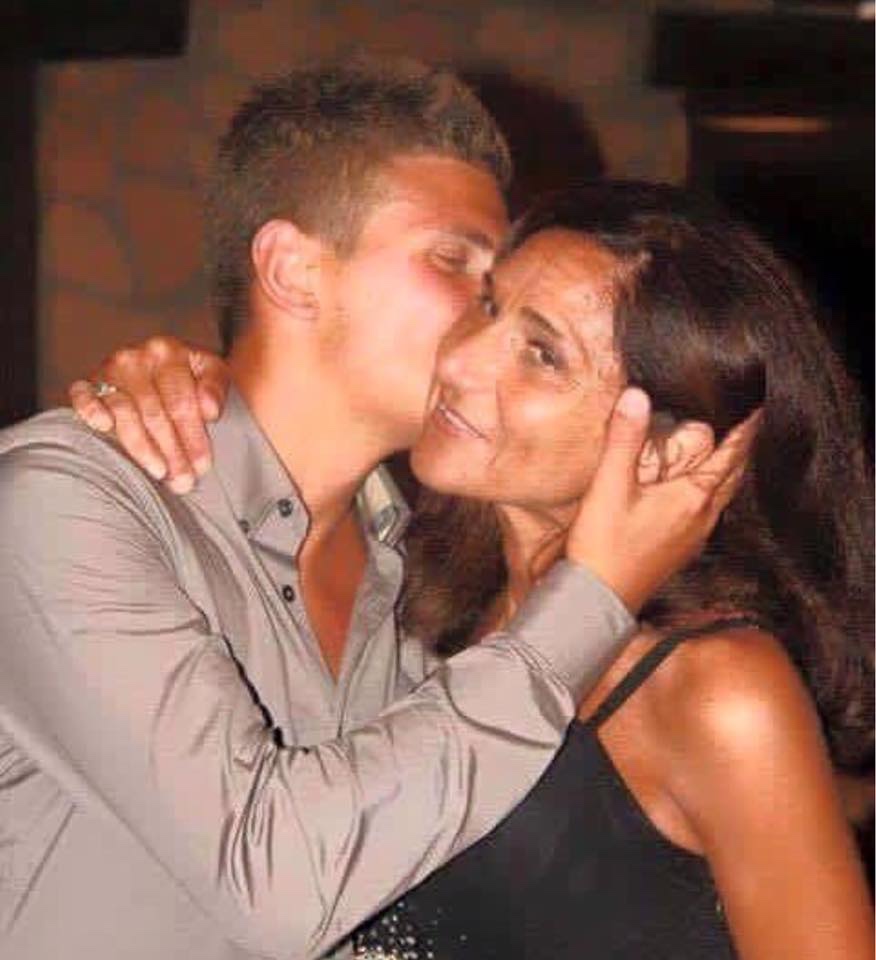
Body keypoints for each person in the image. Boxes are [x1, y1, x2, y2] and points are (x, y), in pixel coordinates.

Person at [0, 62, 752, 960]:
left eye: (499, 293)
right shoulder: (67, 502)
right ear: (293, 271)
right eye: (455, 264)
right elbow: (275, 880)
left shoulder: (421, 570)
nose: (485, 324)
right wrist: (590, 599)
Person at [102, 183, 873, 958]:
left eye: (542, 355)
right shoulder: (410, 603)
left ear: (671, 451)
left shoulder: (716, 692)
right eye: (486, 306)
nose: (460, 359)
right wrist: (177, 391)